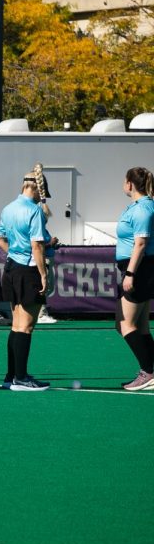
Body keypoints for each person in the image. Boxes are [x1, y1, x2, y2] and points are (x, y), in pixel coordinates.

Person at [0, 167, 55, 390]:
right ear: (37, 188)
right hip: (28, 269)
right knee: (26, 326)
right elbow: (37, 245)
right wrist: (43, 274)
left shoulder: (8, 208)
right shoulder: (34, 210)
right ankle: (20, 378)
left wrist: (14, 252)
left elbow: (0, 238)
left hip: (12, 268)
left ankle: (11, 376)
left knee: (17, 325)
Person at [115, 166, 154, 390]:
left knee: (124, 324)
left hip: (139, 269)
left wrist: (130, 273)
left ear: (130, 183)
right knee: (141, 327)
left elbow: (141, 243)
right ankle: (151, 369)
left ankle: (147, 372)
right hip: (139, 268)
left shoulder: (143, 209)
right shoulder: (139, 206)